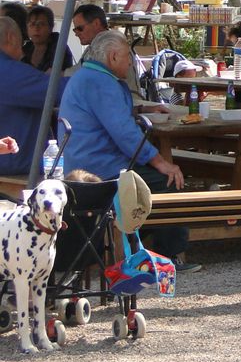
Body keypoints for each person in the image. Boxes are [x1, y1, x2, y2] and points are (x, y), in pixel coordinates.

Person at [59, 30, 193, 267]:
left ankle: (141, 244)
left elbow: (106, 116)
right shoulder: (101, 82)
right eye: (127, 58)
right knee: (170, 181)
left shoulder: (87, 76)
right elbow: (125, 135)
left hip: (84, 164)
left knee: (154, 179)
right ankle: (169, 256)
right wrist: (161, 162)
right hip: (101, 170)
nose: (130, 63)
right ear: (112, 57)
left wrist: (139, 112)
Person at [0, 16, 69, 177]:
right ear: (11, 38)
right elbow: (58, 91)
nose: (24, 50)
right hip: (13, 165)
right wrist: (92, 74)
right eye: (22, 42)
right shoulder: (9, 73)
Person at [22, 5, 73, 73]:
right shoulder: (26, 48)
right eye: (32, 24)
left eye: (41, 24)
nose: (36, 29)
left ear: (51, 27)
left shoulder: (59, 49)